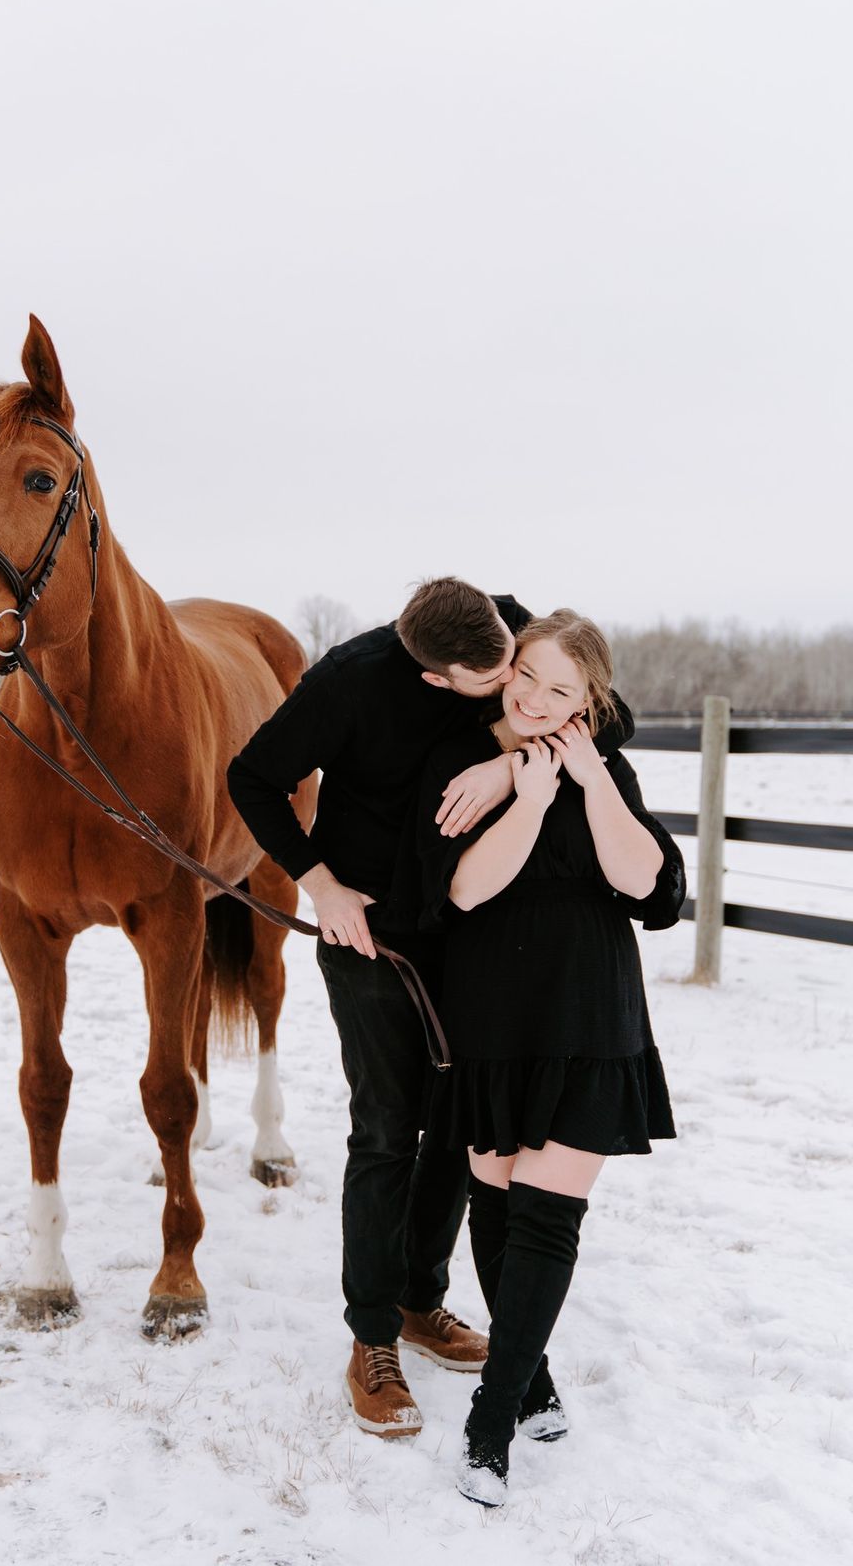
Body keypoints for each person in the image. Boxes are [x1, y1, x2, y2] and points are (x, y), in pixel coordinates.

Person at [226, 578, 636, 1438]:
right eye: (492, 682)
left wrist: (509, 761)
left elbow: (605, 710)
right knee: (386, 1125)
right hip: (371, 924)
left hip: (472, 929)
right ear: (439, 680)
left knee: (459, 1121)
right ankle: (372, 1337)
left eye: (514, 662)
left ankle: (422, 1299)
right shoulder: (349, 681)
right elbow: (253, 777)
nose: (514, 689)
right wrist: (320, 883)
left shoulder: (503, 633)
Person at [414, 610, 684, 1505]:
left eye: (560, 689)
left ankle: (490, 1424)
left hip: (590, 1014)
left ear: (591, 700)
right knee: (491, 1203)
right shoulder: (468, 759)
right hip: (492, 1015)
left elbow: (645, 882)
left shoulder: (605, 763)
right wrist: (525, 796)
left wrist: (590, 778)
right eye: (526, 674)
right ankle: (533, 1380)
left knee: (545, 1216)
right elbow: (462, 888)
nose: (534, 696)